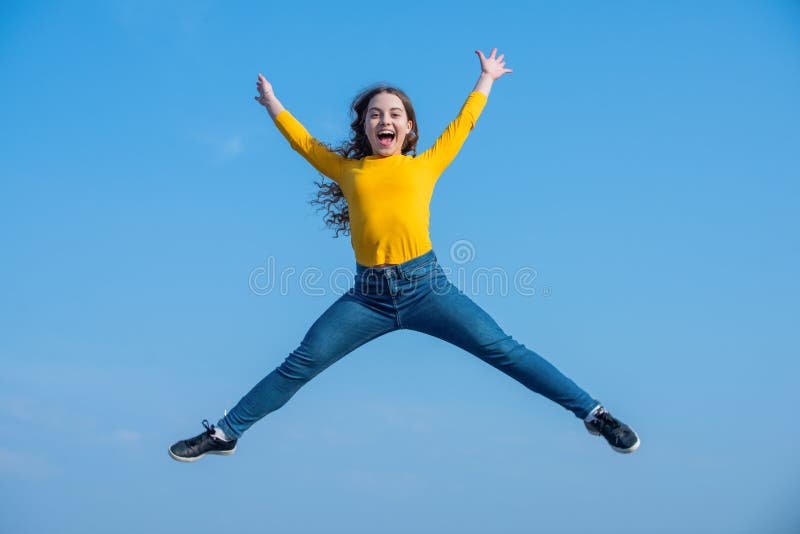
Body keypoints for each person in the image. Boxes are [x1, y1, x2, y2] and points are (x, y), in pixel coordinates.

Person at [168, 48, 639, 462]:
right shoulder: (348, 170)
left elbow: (463, 125)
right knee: (300, 363)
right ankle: (225, 433)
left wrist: (486, 80)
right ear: (365, 127)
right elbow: (305, 143)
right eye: (375, 114)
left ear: (409, 128)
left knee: (504, 350)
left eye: (394, 114)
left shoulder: (425, 165)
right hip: (366, 298)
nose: (384, 120)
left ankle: (595, 414)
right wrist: (274, 105)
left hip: (426, 288)